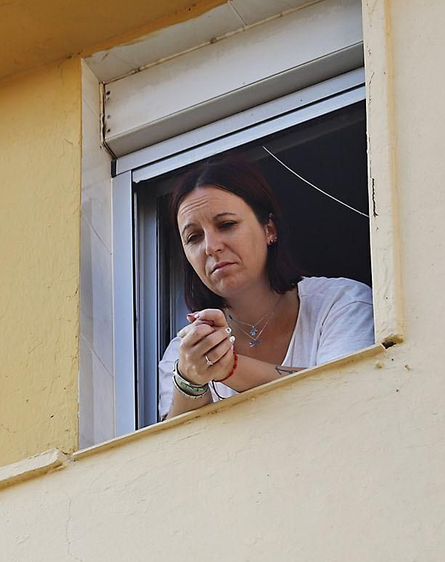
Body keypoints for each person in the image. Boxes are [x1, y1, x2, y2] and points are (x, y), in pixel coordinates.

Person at [159, 157, 375, 420]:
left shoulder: (342, 303)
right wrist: (190, 378)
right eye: (194, 237)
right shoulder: (183, 351)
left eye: (226, 225)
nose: (210, 246)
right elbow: (175, 454)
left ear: (269, 229)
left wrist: (230, 368)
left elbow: (350, 397)